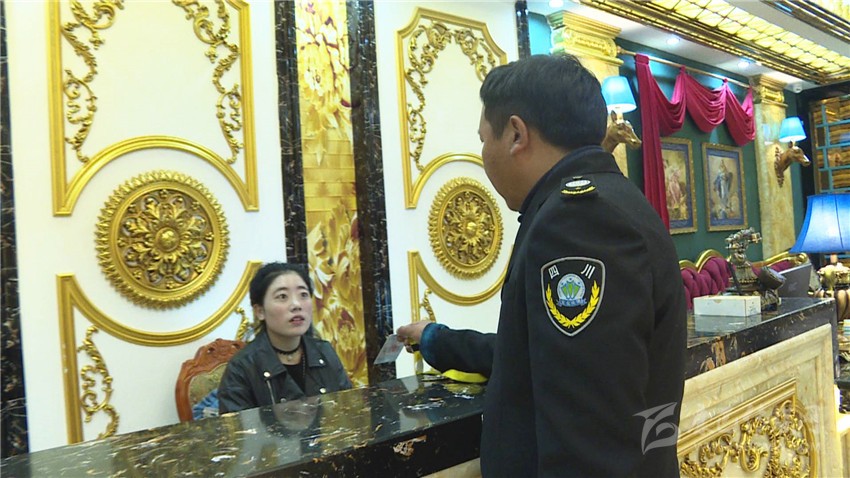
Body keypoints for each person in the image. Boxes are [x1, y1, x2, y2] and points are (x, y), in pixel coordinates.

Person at [396, 54, 686, 477]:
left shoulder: (576, 220)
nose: (484, 154)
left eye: (484, 139)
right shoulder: (617, 200)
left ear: (516, 134)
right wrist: (438, 340)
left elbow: (589, 439)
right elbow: (548, 355)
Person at [218, 262, 351, 413]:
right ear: (260, 311)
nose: (296, 305)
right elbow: (238, 427)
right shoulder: (242, 368)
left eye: (303, 295)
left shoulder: (325, 352)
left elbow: (348, 411)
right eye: (282, 296)